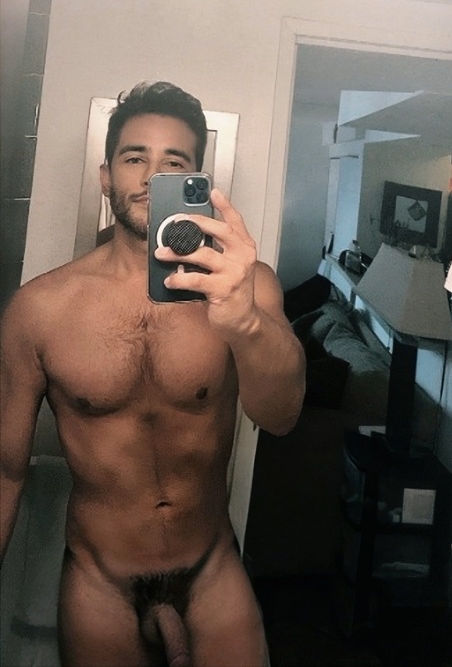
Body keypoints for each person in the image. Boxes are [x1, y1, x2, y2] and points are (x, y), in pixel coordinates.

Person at [0, 81, 306, 667]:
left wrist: (246, 322)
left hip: (210, 567)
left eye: (174, 163)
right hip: (100, 578)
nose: (149, 177)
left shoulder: (249, 286)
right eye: (134, 157)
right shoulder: (40, 310)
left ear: (197, 182)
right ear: (106, 176)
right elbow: (6, 471)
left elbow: (282, 417)